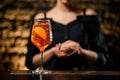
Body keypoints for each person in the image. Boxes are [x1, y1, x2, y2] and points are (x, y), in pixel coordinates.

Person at [25, 0, 108, 71]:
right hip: (49, 77)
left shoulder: (88, 15)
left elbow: (102, 58)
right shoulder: (41, 19)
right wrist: (53, 51)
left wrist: (81, 51)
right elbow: (30, 63)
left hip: (80, 77)